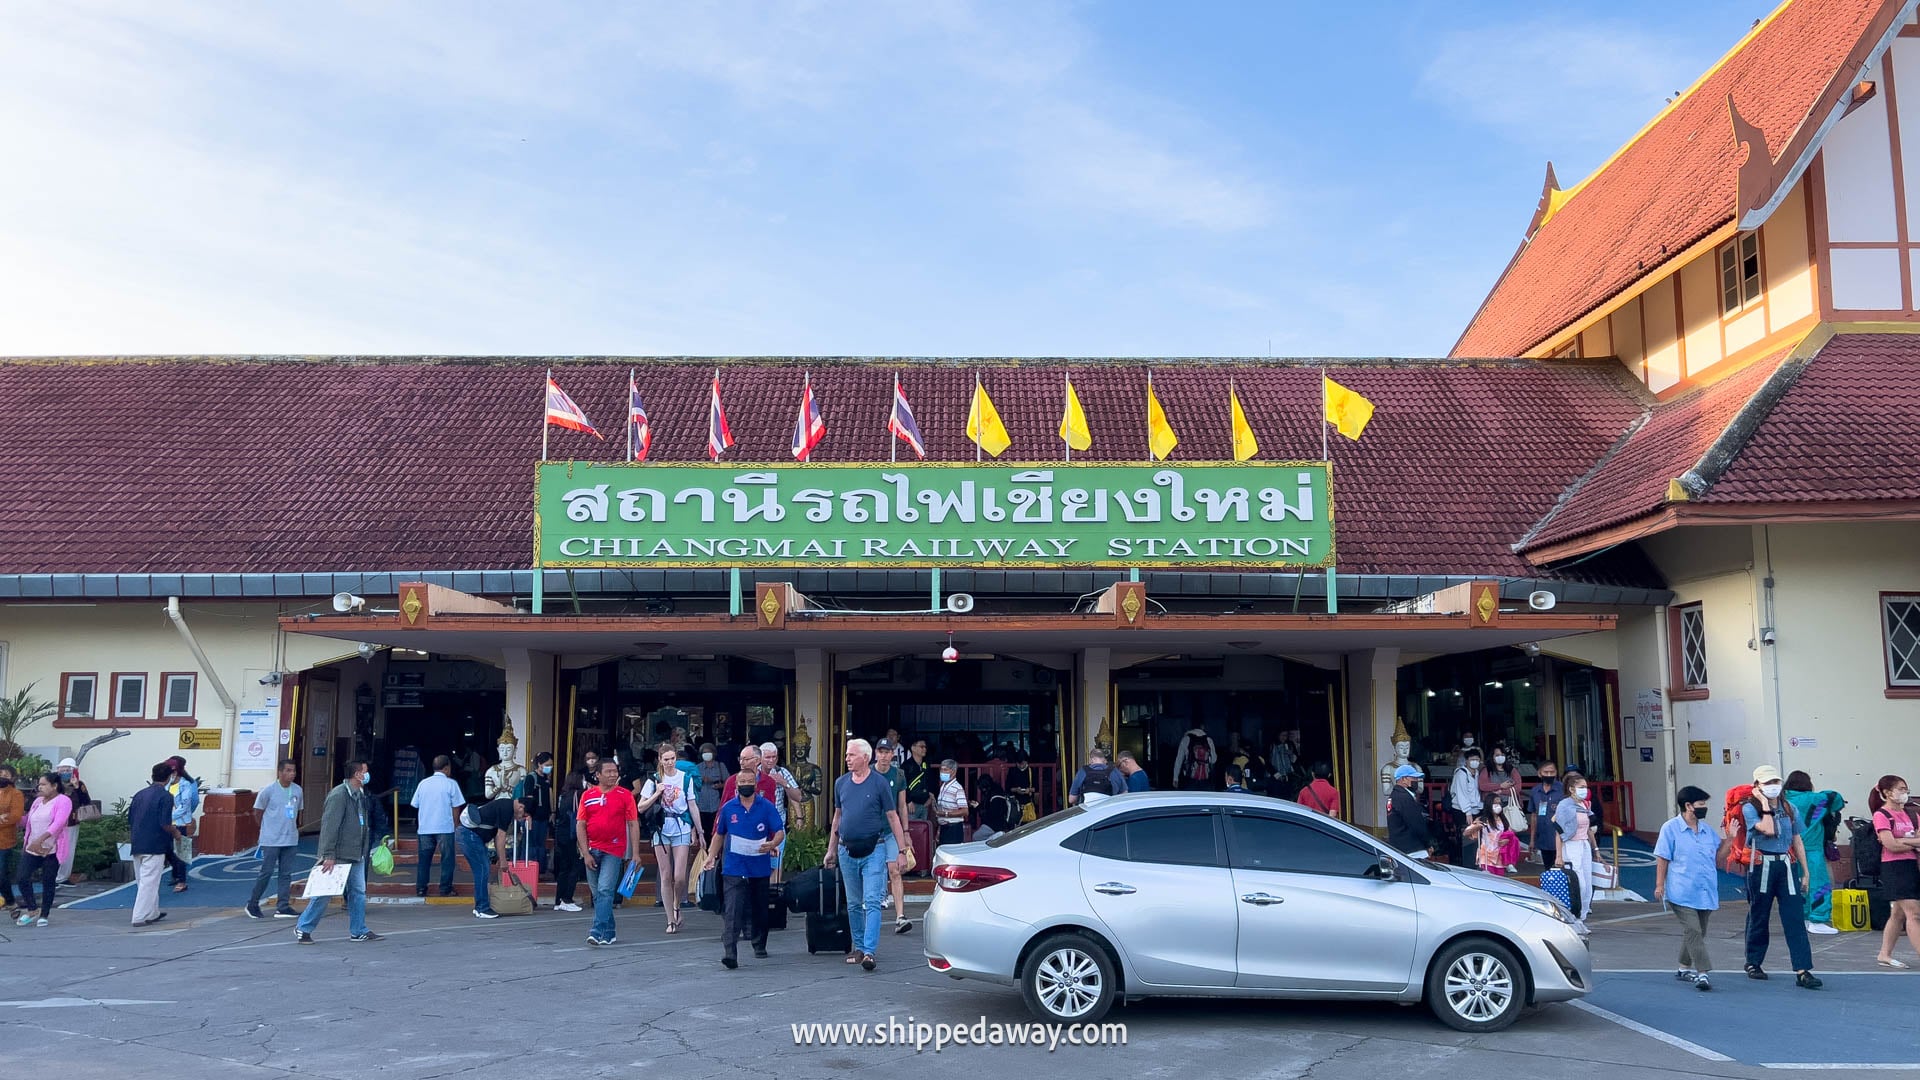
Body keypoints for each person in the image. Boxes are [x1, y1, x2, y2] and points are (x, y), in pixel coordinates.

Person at [824, 739, 909, 972]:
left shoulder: (879, 783)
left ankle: (870, 951)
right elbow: (837, 818)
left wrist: (901, 850)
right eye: (846, 755)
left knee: (871, 900)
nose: (847, 759)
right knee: (853, 903)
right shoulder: (841, 783)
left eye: (851, 755)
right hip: (846, 849)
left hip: (875, 847)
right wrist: (831, 849)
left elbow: (893, 817)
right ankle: (859, 947)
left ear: (865, 757)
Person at [1741, 764, 1821, 989]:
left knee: (1794, 917)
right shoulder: (1750, 808)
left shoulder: (1789, 807)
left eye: (1775, 782)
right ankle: (1753, 962)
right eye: (1767, 783)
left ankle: (1803, 970)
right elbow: (1768, 830)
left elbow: (1796, 839)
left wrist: (1805, 872)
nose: (1773, 786)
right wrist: (1765, 804)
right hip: (1761, 865)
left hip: (1786, 865)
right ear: (1757, 786)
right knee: (1759, 914)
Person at [706, 769, 785, 968]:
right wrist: (710, 856)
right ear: (736, 785)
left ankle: (759, 943)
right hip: (734, 865)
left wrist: (772, 844)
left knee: (760, 907)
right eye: (742, 782)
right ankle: (730, 952)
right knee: (733, 908)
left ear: (755, 784)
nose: (746, 785)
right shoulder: (728, 808)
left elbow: (779, 832)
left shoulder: (766, 806)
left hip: (759, 864)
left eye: (750, 781)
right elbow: (719, 834)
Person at [296, 760, 380, 944]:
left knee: (358, 891)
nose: (367, 774)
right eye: (365, 771)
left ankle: (358, 930)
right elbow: (329, 827)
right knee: (325, 892)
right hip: (340, 853)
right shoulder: (339, 795)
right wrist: (328, 855)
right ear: (358, 774)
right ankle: (303, 927)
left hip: (356, 853)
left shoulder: (359, 794)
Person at [1655, 786, 1721, 990]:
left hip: (1705, 890)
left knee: (1698, 931)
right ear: (1688, 806)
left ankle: (1684, 967)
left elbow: (1718, 856)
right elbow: (1663, 858)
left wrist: (1732, 837)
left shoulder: (1707, 831)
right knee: (1693, 929)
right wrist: (1659, 885)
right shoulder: (1670, 828)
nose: (1704, 808)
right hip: (1681, 890)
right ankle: (1702, 973)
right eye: (1701, 804)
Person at [638, 745, 703, 934]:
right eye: (665, 759)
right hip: (661, 828)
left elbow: (692, 805)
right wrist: (657, 793)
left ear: (676, 758)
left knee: (679, 877)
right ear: (660, 760)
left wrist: (699, 830)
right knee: (666, 875)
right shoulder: (654, 780)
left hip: (681, 827)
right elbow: (641, 807)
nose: (669, 762)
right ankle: (670, 919)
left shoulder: (685, 778)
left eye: (672, 758)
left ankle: (677, 905)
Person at [577, 758, 639, 947]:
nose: (613, 775)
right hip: (592, 849)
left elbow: (633, 823)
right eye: (609, 772)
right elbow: (580, 824)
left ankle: (596, 931)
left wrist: (635, 853)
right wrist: (585, 852)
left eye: (615, 771)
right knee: (597, 894)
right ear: (598, 775)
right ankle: (610, 931)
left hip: (613, 849)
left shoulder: (625, 794)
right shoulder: (587, 796)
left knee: (605, 890)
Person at [1781, 770, 1845, 933]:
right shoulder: (1815, 800)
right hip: (1812, 850)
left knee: (1795, 886)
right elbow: (1836, 798)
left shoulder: (1782, 800)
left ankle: (1801, 918)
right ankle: (1817, 919)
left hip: (1787, 851)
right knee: (1819, 884)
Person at [1869, 775, 1920, 969]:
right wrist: (1910, 843)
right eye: (1901, 789)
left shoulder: (1913, 815)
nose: (1904, 793)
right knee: (1914, 913)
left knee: (1898, 913)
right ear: (1887, 793)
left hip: (1912, 866)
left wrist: (1903, 842)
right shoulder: (1881, 815)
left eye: (1906, 789)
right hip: (1894, 867)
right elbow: (1890, 845)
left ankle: (1884, 953)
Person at [457, 793, 533, 919]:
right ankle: (482, 908)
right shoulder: (507, 809)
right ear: (521, 807)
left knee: (481, 870)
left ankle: (479, 907)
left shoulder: (505, 804)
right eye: (523, 815)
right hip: (470, 836)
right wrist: (503, 861)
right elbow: (500, 837)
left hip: (468, 835)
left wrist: (500, 857)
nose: (520, 818)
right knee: (482, 870)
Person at [247, 758, 304, 920]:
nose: (291, 774)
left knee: (286, 874)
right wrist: (266, 829)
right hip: (271, 839)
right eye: (288, 770)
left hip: (290, 839)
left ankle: (283, 906)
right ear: (280, 772)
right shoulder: (268, 790)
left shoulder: (298, 790)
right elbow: (257, 811)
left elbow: (297, 811)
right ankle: (253, 903)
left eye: (293, 771)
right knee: (266, 872)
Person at [13, 773, 71, 928]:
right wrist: (16, 818)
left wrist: (41, 839)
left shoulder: (63, 801)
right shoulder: (38, 801)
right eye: (40, 784)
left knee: (48, 881)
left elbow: (58, 823)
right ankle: (32, 909)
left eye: (44, 784)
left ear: (54, 786)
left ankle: (44, 914)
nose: (40, 787)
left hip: (51, 849)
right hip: (32, 848)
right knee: (22, 877)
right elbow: (28, 821)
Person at [129, 762, 179, 927]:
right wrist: (175, 833)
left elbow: (130, 819)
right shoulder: (165, 796)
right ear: (169, 777)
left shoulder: (139, 794)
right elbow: (165, 823)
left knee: (143, 880)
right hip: (155, 843)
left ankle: (152, 912)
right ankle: (139, 916)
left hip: (137, 841)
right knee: (149, 881)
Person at [872, 740, 914, 933]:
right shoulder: (868, 773)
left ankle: (900, 916)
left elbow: (902, 806)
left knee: (895, 870)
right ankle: (871, 913)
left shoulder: (898, 775)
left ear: (892, 754)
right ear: (875, 753)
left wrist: (906, 833)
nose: (884, 756)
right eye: (880, 752)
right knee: (871, 872)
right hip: (870, 830)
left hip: (891, 830)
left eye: (887, 752)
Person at [409, 755, 464, 898]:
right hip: (445, 828)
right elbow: (456, 807)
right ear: (446, 768)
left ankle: (421, 888)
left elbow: (415, 804)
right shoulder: (451, 784)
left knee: (424, 859)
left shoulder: (423, 784)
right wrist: (456, 824)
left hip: (425, 828)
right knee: (447, 859)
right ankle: (445, 888)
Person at [1554, 770, 1596, 929]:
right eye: (1581, 787)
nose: (1585, 789)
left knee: (1588, 882)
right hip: (1571, 846)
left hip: (1584, 845)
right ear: (1571, 789)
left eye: (1586, 786)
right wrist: (1559, 855)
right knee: (1579, 883)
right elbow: (1558, 831)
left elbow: (1589, 829)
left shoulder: (1584, 804)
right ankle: (1574, 916)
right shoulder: (1564, 806)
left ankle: (1581, 918)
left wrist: (1595, 850)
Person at [759, 742, 805, 884]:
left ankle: (773, 896)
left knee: (776, 864)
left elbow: (797, 797)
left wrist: (784, 783)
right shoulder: (754, 773)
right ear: (760, 758)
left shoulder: (782, 772)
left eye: (774, 757)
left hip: (776, 826)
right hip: (757, 825)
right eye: (767, 757)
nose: (771, 760)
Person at [551, 768, 588, 912]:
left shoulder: (563, 795)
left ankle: (558, 900)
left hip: (561, 833)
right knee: (575, 866)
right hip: (573, 834)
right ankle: (567, 898)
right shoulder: (579, 794)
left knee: (564, 868)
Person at [163, 755, 199, 894]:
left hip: (179, 822)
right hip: (166, 823)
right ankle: (176, 872)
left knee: (181, 852)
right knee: (167, 849)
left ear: (176, 771)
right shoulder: (166, 783)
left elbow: (186, 805)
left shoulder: (186, 784)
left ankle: (181, 880)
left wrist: (169, 816)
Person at [53, 757, 90, 888]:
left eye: (68, 770)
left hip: (71, 821)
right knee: (53, 849)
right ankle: (52, 876)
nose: (65, 772)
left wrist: (77, 787)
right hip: (54, 822)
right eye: (62, 770)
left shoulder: (79, 784)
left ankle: (62, 876)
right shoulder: (53, 783)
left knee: (68, 850)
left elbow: (86, 802)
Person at [517, 752, 555, 875]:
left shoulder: (546, 779)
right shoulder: (531, 778)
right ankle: (528, 870)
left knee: (540, 845)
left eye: (551, 765)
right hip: (532, 818)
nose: (549, 767)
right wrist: (528, 816)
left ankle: (539, 870)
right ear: (539, 764)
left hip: (543, 818)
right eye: (547, 764)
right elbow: (528, 799)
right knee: (530, 845)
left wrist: (552, 813)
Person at [1448, 747, 1485, 866]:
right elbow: (1461, 793)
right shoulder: (1461, 773)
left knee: (1476, 836)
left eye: (1477, 759)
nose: (1475, 761)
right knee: (1464, 836)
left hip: (1476, 809)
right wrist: (1467, 811)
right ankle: (1463, 862)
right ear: (1467, 761)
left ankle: (1474, 860)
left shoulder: (1477, 773)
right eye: (1472, 759)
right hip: (1462, 810)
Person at [1386, 764, 1431, 856]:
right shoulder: (1404, 798)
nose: (1416, 780)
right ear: (1404, 779)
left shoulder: (1395, 796)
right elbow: (1416, 823)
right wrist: (1428, 844)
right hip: (1412, 849)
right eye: (1414, 778)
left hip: (1401, 848)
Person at [1527, 762, 1565, 868]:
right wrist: (1532, 840)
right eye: (1546, 772)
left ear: (1556, 773)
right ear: (1540, 774)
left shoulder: (1563, 790)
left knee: (1561, 869)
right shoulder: (1535, 791)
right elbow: (1534, 815)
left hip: (1561, 838)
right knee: (1548, 869)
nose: (1549, 775)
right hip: (1543, 837)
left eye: (1551, 772)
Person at [1463, 801, 1513, 875]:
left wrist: (1507, 840)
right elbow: (1466, 833)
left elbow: (1511, 836)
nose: (1498, 806)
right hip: (1485, 858)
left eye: (1499, 803)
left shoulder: (1503, 820)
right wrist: (1477, 827)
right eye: (1495, 803)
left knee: (1500, 882)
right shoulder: (1482, 819)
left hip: (1500, 858)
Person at [0, 764, 23, 915]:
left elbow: (15, 816)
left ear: (12, 778)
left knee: (1, 873)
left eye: (5, 775)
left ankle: (10, 902)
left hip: (5, 841)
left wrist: (4, 818)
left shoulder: (16, 794)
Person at [934, 758, 969, 848]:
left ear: (953, 772)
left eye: (945, 770)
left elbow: (965, 811)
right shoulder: (943, 786)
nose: (942, 772)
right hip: (944, 827)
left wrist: (945, 814)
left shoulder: (957, 788)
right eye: (941, 769)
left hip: (953, 828)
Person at [902, 738, 934, 821]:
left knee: (924, 830)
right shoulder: (906, 766)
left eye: (925, 747)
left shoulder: (926, 764)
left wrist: (930, 798)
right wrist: (908, 801)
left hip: (925, 804)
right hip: (911, 805)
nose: (924, 749)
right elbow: (902, 785)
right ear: (913, 748)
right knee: (912, 829)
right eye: (922, 747)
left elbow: (931, 781)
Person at [695, 742, 726, 818]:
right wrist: (700, 780)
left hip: (716, 804)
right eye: (704, 752)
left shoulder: (720, 766)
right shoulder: (697, 767)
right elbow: (693, 784)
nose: (706, 754)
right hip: (702, 805)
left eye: (709, 752)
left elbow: (728, 782)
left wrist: (720, 785)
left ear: (713, 753)